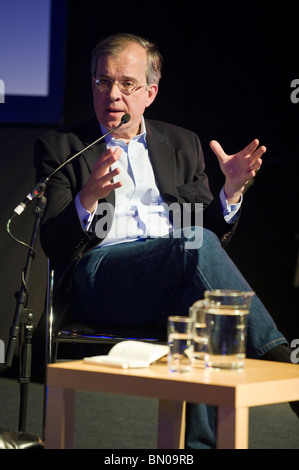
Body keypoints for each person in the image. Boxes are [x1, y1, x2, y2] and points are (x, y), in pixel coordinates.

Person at [34, 33, 297, 448]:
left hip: (169, 278)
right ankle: (282, 362)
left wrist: (230, 192)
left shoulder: (181, 144)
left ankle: (198, 449)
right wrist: (87, 198)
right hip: (100, 279)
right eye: (103, 81)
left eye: (127, 84)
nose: (113, 94)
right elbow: (54, 243)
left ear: (150, 92)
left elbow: (206, 238)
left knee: (203, 307)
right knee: (191, 242)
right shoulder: (63, 148)